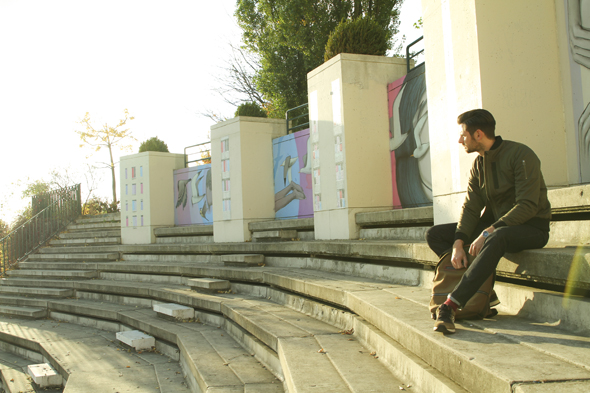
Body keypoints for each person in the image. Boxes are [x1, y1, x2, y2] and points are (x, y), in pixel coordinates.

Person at [426, 109, 551, 334]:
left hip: (532, 227)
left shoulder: (521, 155)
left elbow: (527, 205)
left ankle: (451, 305)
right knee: (436, 235)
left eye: (463, 134)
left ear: (479, 134)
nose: (459, 139)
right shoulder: (479, 164)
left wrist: (488, 231)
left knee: (496, 236)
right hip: (495, 228)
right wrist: (458, 242)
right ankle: (484, 292)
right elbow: (472, 206)